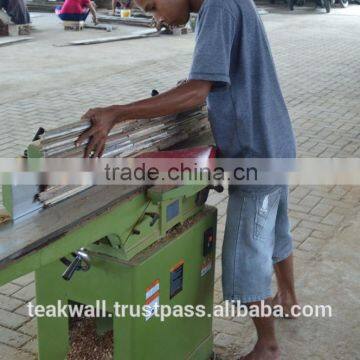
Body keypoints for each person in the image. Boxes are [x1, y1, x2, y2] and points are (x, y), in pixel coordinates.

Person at [75, 0, 298, 358]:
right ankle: (288, 296)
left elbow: (196, 91)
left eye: (152, 7)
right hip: (277, 141)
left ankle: (267, 344)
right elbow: (213, 78)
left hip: (255, 154)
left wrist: (117, 113)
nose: (156, 18)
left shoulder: (216, 8)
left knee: (246, 255)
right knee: (276, 227)